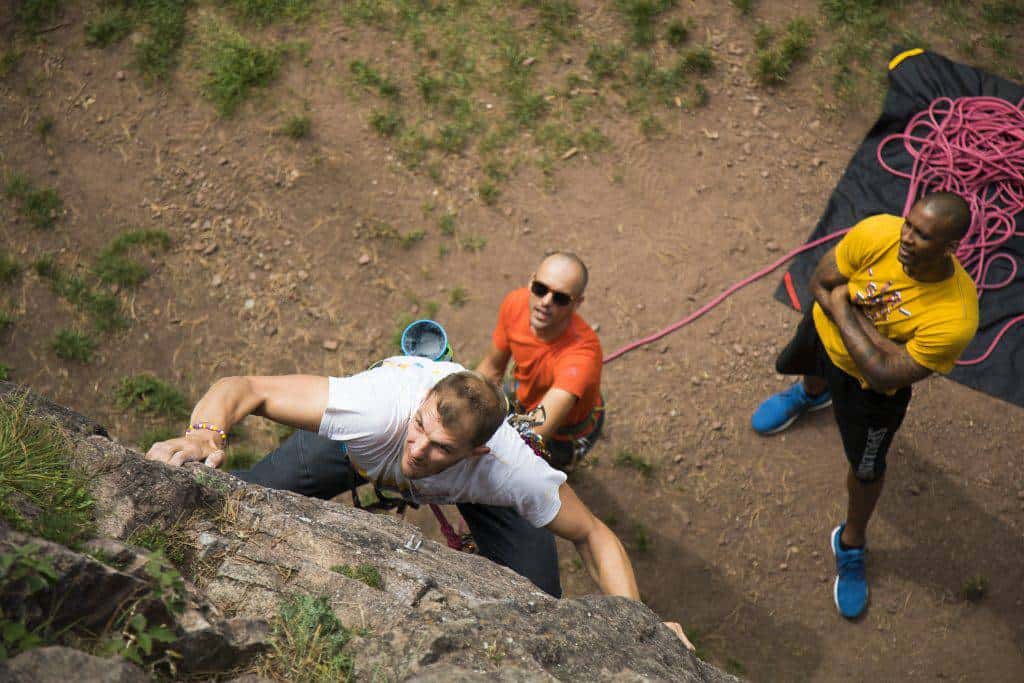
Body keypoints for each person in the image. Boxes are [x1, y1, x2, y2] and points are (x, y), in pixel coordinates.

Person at [145, 357, 692, 648]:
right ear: (423, 403)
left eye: (441, 448)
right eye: (422, 429)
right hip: (358, 453)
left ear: (477, 450)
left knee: (541, 602)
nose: (419, 451)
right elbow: (246, 387)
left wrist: (640, 624)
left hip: (472, 488)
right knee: (247, 496)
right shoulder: (375, 410)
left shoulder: (507, 470)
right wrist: (202, 436)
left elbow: (593, 533)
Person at [750, 192, 978, 619]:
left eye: (923, 235)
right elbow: (820, 283)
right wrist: (871, 337)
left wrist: (843, 306)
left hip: (870, 394)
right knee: (812, 362)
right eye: (909, 224)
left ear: (950, 248)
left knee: (867, 468)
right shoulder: (879, 232)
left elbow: (884, 376)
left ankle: (851, 542)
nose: (907, 238)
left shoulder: (955, 316)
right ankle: (813, 394)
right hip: (823, 335)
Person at [476, 252, 604, 470]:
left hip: (563, 434)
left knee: (535, 475)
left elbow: (536, 430)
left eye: (561, 298)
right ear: (531, 281)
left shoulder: (582, 357)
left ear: (577, 303)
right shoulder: (515, 304)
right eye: (540, 289)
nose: (546, 302)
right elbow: (491, 368)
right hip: (526, 393)